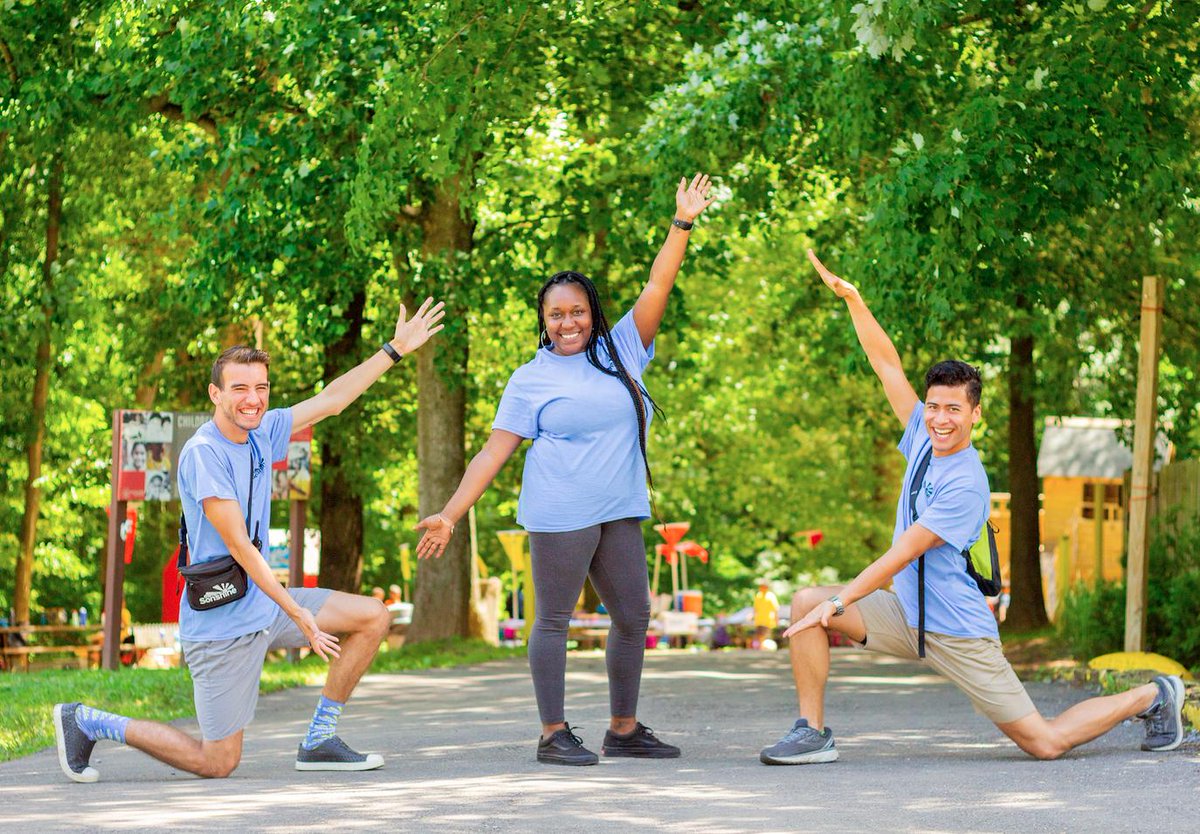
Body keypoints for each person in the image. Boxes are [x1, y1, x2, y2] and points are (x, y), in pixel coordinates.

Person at [757, 250, 1186, 766]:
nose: (940, 419)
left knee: (1043, 743)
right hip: (906, 614)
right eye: (934, 406)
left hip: (956, 630)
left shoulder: (967, 484)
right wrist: (854, 301)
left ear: (975, 414)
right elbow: (885, 363)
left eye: (953, 409)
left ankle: (1155, 695)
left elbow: (902, 553)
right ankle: (812, 732)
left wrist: (842, 602)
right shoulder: (920, 433)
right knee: (806, 602)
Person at [53, 297, 445, 783]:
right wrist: (299, 613)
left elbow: (333, 399)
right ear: (215, 393)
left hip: (263, 603)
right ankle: (86, 720)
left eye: (261, 388)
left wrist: (394, 350)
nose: (253, 399)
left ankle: (319, 738)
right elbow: (240, 546)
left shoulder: (261, 433)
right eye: (240, 388)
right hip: (221, 623)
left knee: (373, 615)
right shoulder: (204, 455)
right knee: (216, 762)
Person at [415, 174, 716, 766]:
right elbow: (492, 453)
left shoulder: (623, 348)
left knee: (633, 616)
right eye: (556, 314)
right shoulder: (531, 379)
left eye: (577, 311)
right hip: (559, 513)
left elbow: (660, 282)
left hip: (620, 509)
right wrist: (451, 515)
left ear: (592, 313)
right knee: (552, 619)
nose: (568, 322)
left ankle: (623, 729)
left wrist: (682, 222)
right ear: (544, 319)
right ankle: (553, 733)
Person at [752, 582, 780, 650]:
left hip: (768, 619)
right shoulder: (758, 595)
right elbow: (755, 608)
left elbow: (775, 608)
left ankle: (765, 647)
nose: (762, 588)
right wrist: (752, 616)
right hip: (759, 619)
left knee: (766, 634)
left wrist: (776, 618)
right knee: (759, 634)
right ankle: (760, 647)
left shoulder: (770, 596)